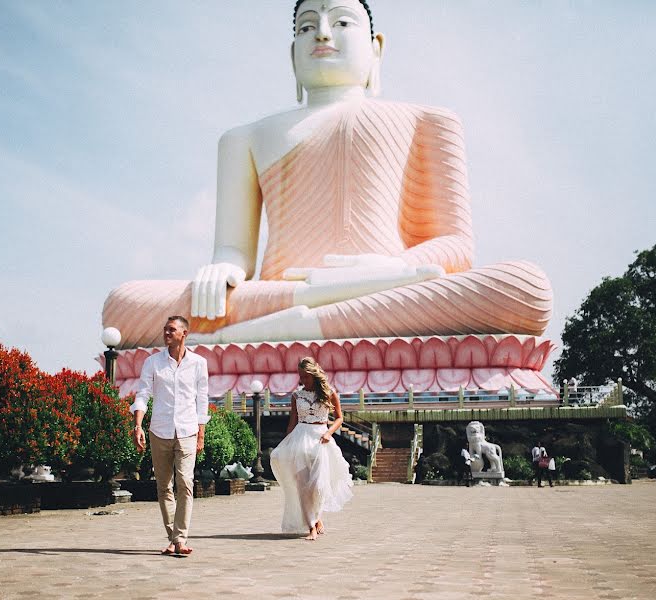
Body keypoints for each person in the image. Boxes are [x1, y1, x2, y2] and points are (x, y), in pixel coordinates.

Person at [102, 0, 553, 348]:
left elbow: (457, 248)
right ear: (292, 54)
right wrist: (223, 268)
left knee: (524, 287)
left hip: (391, 288)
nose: (321, 33)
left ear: (376, 47)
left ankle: (247, 339)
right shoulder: (246, 137)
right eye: (306, 26)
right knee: (123, 305)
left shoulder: (428, 120)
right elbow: (233, 251)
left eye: (341, 22)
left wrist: (390, 268)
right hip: (284, 294)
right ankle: (282, 317)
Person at [130, 316, 209, 556]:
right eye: (165, 329)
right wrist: (138, 425)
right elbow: (143, 394)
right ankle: (173, 539)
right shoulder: (152, 362)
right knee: (164, 486)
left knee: (185, 483)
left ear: (184, 333)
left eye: (171, 329)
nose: (166, 333)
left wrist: (201, 434)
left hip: (187, 430)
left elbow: (202, 400)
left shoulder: (198, 363)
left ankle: (180, 539)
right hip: (159, 430)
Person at [270, 357, 353, 540]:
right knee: (302, 485)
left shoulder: (329, 393)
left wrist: (329, 433)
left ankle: (318, 516)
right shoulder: (296, 396)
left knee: (317, 485)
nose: (303, 381)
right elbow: (292, 422)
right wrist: (286, 444)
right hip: (299, 439)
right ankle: (311, 526)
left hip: (320, 440)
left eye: (306, 377)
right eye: (301, 377)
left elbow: (339, 418)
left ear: (314, 375)